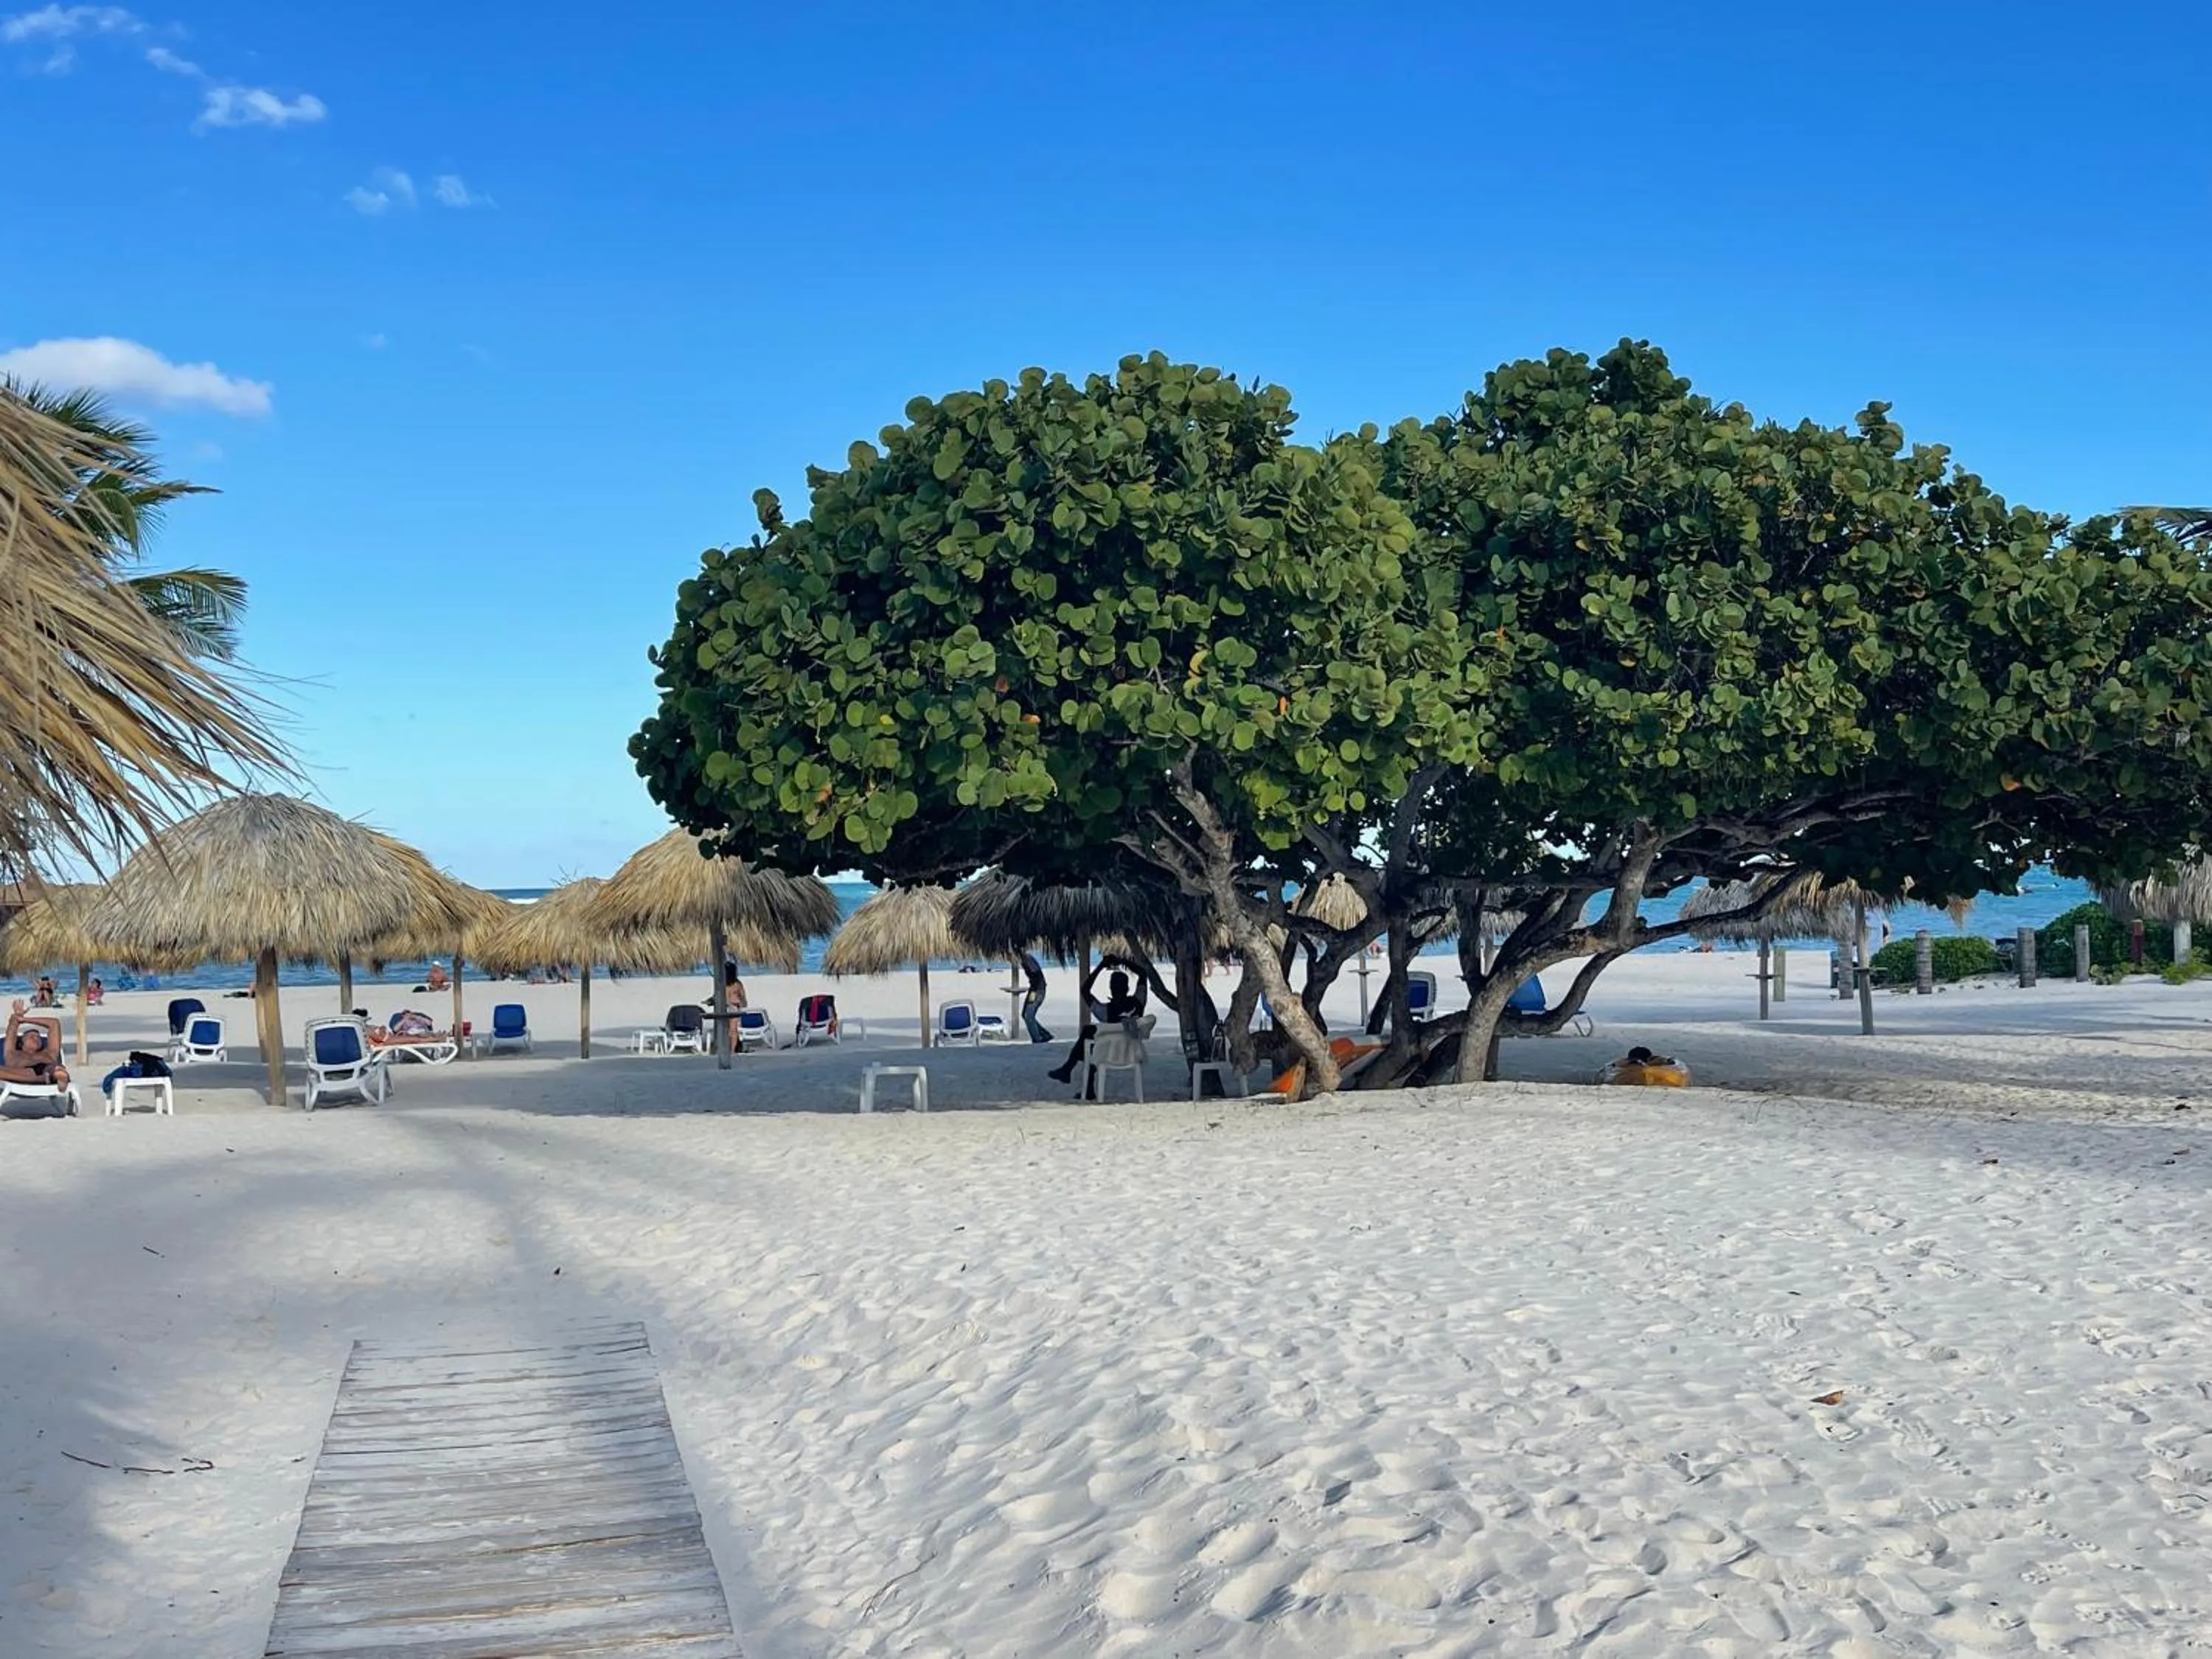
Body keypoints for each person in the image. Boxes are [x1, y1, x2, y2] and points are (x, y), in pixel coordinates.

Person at [1048, 969, 1136, 1084]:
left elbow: (1085, 990)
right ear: (1128, 989)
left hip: (1110, 1054)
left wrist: (1101, 966)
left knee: (1088, 1036)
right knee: (1091, 1038)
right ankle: (1069, 1071)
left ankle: (1068, 1069)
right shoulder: (1138, 1003)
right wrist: (1125, 961)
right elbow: (1143, 974)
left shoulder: (1105, 1012)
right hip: (1133, 1052)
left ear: (1111, 990)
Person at [2, 1001, 69, 1088]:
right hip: (22, 1072)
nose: (36, 1038)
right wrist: (17, 1017)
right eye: (31, 1036)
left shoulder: (48, 1053)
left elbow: (54, 1023)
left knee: (55, 1068)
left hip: (47, 1069)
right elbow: (11, 1031)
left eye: (38, 1037)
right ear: (22, 1043)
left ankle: (58, 1075)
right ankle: (40, 1079)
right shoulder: (12, 1053)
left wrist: (25, 1020)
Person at [1018, 952, 1051, 1044]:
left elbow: (1037, 976)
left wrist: (1033, 991)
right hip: (1035, 989)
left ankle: (1037, 1039)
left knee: (1029, 1016)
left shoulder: (1027, 960)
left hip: (1037, 990)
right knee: (1025, 1014)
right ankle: (1044, 1034)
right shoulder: (1025, 960)